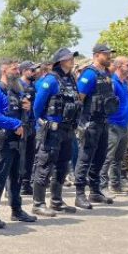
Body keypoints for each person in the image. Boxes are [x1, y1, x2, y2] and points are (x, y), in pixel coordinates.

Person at [0, 59, 36, 228]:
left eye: (17, 69)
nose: (17, 71)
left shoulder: (17, 90)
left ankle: (16, 209)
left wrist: (28, 108)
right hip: (3, 140)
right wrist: (15, 124)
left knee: (17, 175)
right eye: (14, 69)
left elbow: (23, 114)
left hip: (18, 141)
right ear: (4, 70)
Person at [30, 48, 80, 216]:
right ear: (60, 61)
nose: (72, 60)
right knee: (44, 165)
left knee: (63, 165)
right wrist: (42, 123)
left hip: (67, 129)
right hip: (52, 130)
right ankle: (38, 203)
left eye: (72, 57)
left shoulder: (71, 79)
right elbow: (37, 107)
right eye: (69, 58)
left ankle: (57, 201)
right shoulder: (50, 80)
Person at [73, 43, 118, 210]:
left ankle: (94, 191)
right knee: (85, 158)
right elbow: (80, 99)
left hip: (104, 121)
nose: (109, 57)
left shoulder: (105, 74)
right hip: (90, 122)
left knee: (99, 158)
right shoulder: (89, 74)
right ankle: (79, 194)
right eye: (107, 54)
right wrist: (79, 123)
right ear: (97, 55)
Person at [99, 56, 128, 193]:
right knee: (107, 157)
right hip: (113, 124)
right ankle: (102, 186)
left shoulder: (124, 83)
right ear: (119, 66)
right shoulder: (112, 82)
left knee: (118, 158)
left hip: (124, 125)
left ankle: (116, 184)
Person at [18, 61, 38, 195]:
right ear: (24, 70)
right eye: (31, 70)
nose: (34, 72)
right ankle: (16, 184)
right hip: (21, 125)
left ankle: (26, 183)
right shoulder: (18, 85)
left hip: (32, 124)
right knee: (20, 156)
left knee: (30, 155)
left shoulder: (34, 86)